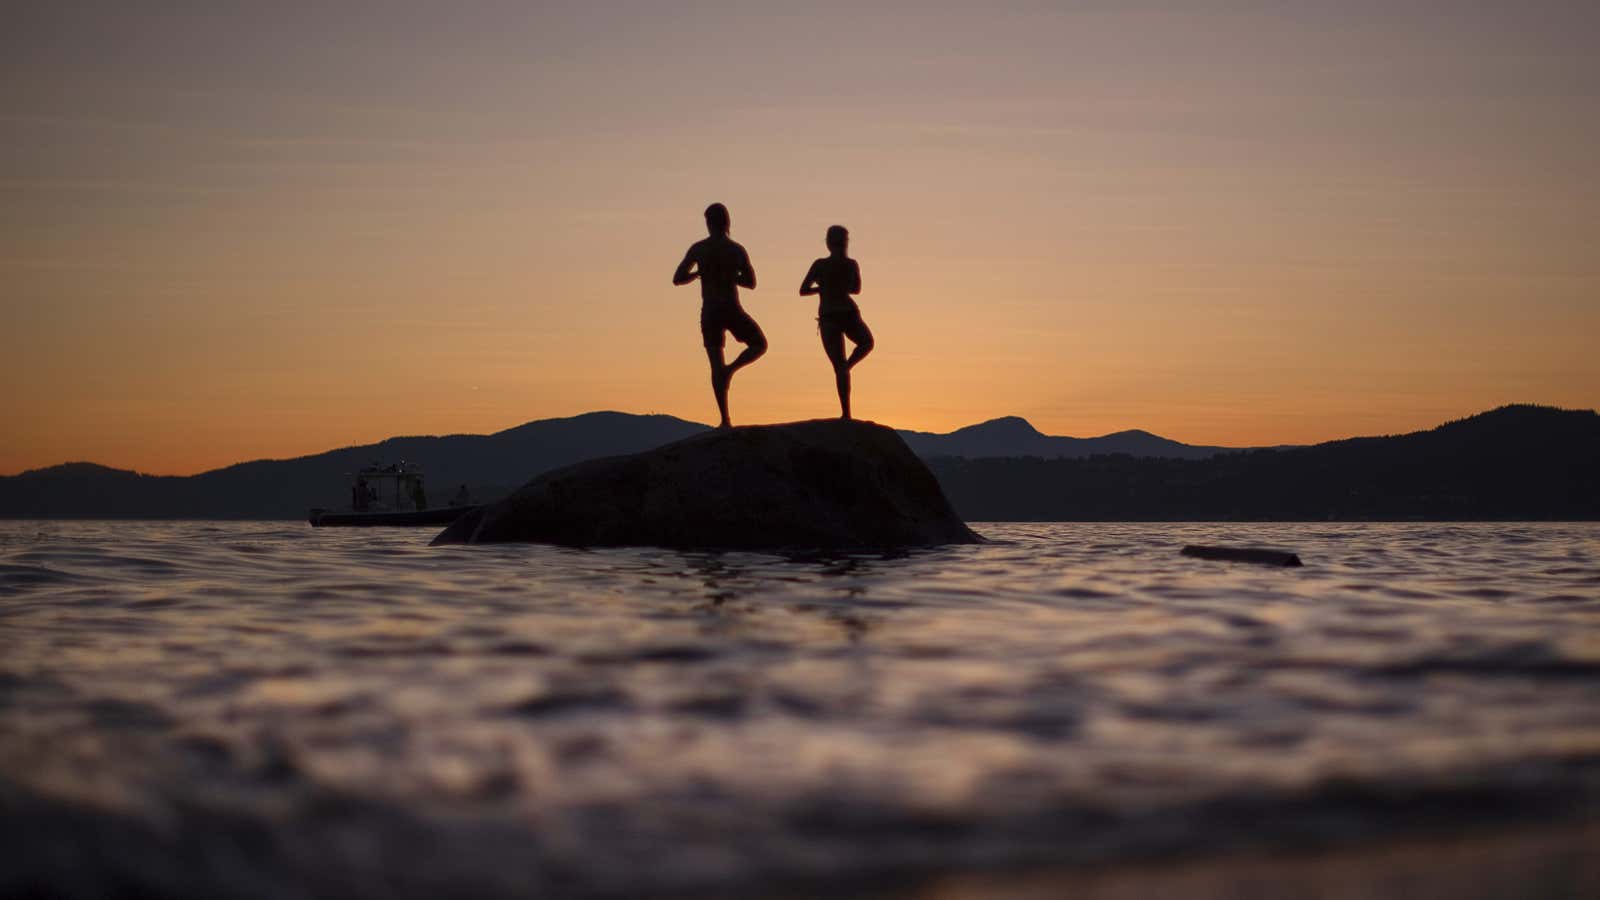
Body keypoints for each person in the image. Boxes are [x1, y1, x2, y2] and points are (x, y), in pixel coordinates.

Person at [673, 203, 765, 428]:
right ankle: (730, 372)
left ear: (708, 222)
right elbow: (751, 282)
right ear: (727, 222)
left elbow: (678, 277)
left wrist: (699, 274)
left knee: (716, 365)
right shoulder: (736, 250)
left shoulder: (699, 249)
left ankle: (725, 418)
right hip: (731, 308)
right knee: (759, 344)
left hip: (711, 310)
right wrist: (731, 276)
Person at [799, 224, 874, 419]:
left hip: (832, 315)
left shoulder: (822, 265)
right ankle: (846, 410)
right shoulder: (850, 265)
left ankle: (846, 373)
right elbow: (856, 289)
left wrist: (823, 288)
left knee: (844, 362)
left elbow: (804, 289)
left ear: (828, 243)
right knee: (865, 344)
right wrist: (835, 287)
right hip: (844, 313)